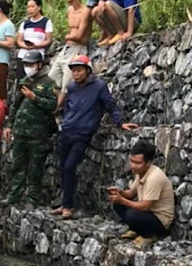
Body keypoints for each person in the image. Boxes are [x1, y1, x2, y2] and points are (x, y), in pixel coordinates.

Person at [52, 54, 137, 220]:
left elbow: (110, 105)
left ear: (87, 71)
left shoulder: (98, 86)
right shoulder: (72, 87)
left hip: (83, 133)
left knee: (70, 167)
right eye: (73, 71)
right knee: (62, 168)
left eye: (79, 71)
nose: (75, 74)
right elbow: (69, 106)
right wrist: (66, 122)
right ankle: (64, 203)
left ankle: (68, 207)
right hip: (68, 130)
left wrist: (120, 123)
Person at [3, 50, 57, 206]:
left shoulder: (48, 84)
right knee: (17, 165)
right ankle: (14, 196)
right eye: (26, 64)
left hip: (38, 133)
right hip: (21, 130)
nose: (28, 67)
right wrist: (9, 125)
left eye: (31, 64)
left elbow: (52, 105)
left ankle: (33, 198)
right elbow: (15, 105)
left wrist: (35, 97)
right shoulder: (23, 81)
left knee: (35, 167)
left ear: (39, 65)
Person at [107, 141, 174, 247]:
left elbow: (146, 206)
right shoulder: (140, 172)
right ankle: (137, 230)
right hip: (147, 214)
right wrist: (120, 192)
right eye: (131, 161)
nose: (133, 166)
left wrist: (123, 200)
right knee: (117, 204)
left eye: (137, 163)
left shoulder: (154, 177)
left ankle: (150, 235)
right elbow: (131, 194)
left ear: (148, 163)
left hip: (160, 220)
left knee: (131, 214)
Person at [48, 0, 92, 109]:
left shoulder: (85, 11)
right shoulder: (69, 10)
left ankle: (56, 109)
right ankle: (57, 104)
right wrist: (69, 37)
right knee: (51, 77)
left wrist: (68, 36)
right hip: (66, 48)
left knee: (67, 83)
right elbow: (71, 31)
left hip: (78, 48)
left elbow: (79, 35)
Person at [14, 0, 53, 80]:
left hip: (36, 56)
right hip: (23, 55)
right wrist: (25, 46)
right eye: (28, 7)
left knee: (35, 82)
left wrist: (36, 45)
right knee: (21, 81)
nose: (30, 9)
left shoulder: (46, 22)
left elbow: (48, 40)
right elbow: (19, 40)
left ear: (39, 7)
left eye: (32, 6)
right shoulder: (25, 23)